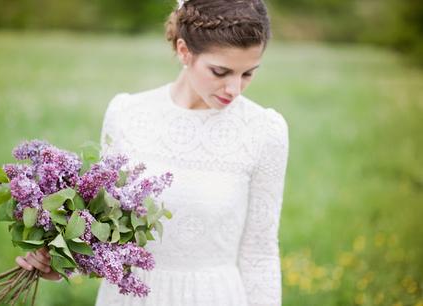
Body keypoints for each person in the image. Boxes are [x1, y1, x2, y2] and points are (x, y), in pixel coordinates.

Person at [16, 0, 289, 305]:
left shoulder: (264, 131)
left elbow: (260, 252)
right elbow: (104, 225)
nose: (234, 89)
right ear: (185, 51)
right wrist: (66, 261)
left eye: (248, 74)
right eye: (220, 71)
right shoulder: (127, 114)